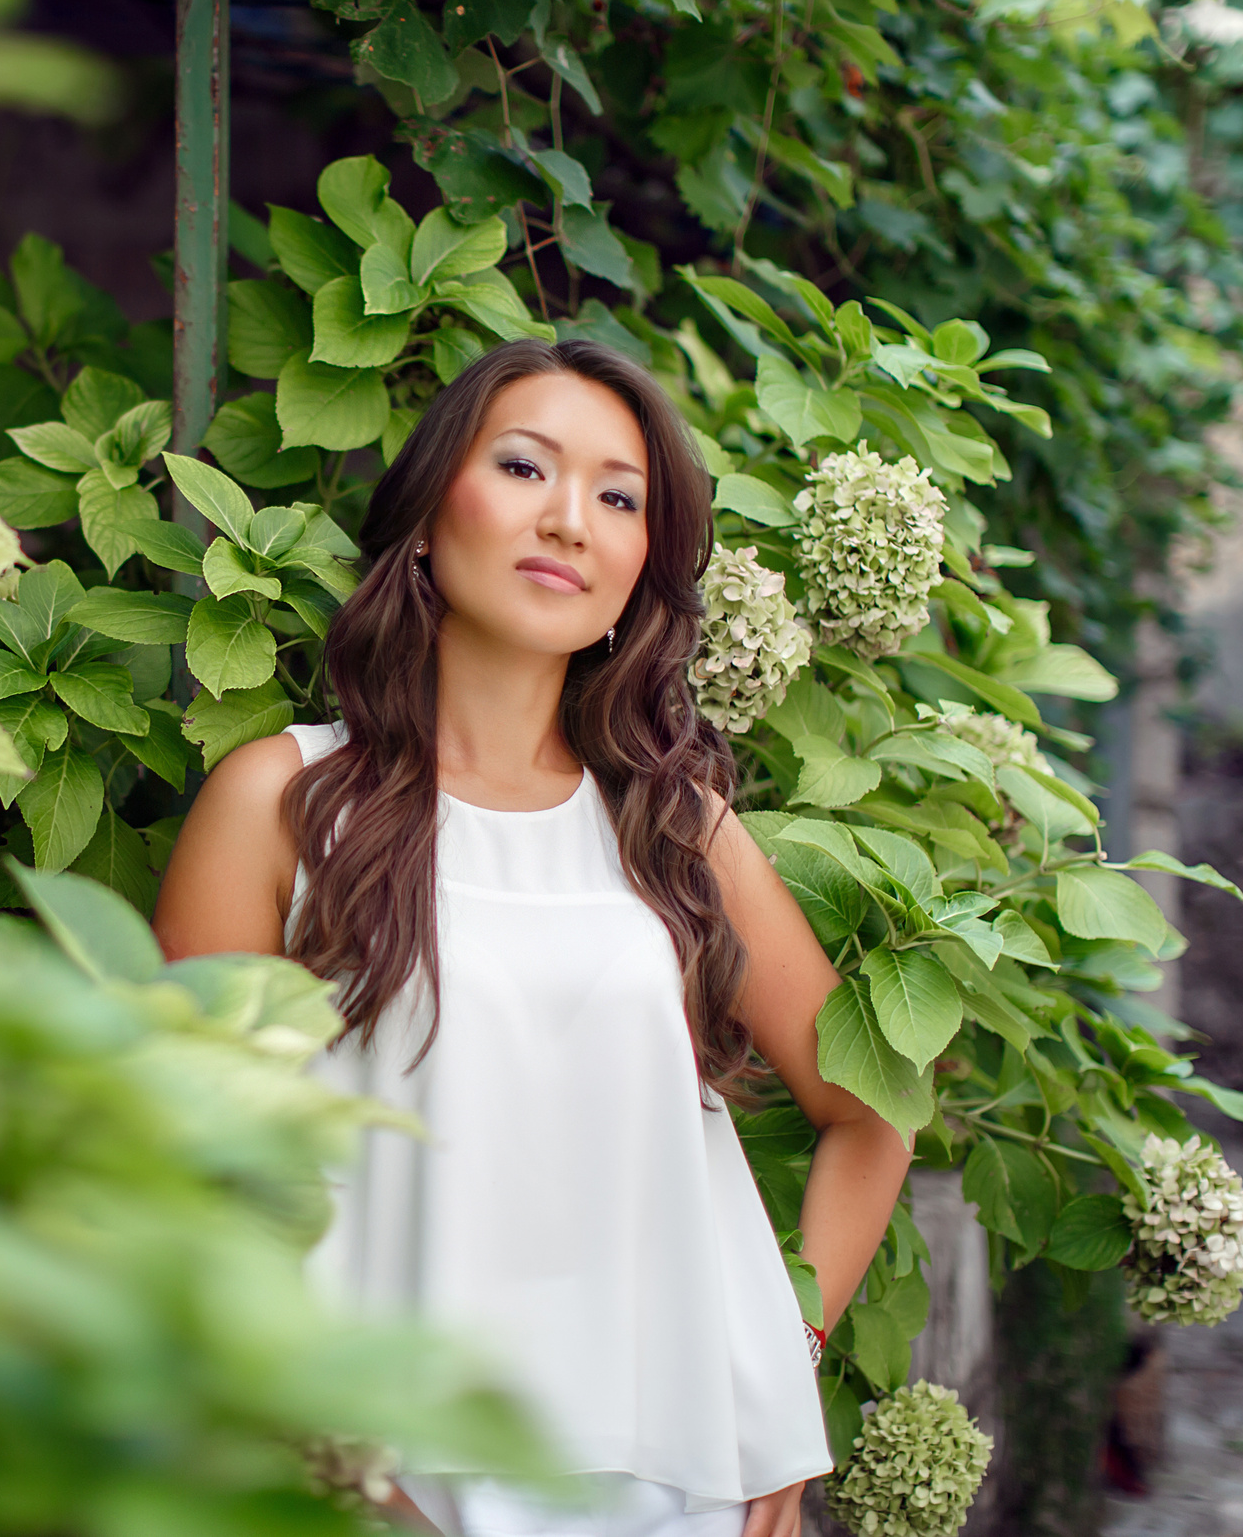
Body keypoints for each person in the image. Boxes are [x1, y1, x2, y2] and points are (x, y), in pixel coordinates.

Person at [154, 339, 912, 1537]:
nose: (569, 520)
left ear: (638, 572)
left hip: (677, 1491)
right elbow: (182, 1176)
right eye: (523, 467)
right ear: (422, 516)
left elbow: (872, 1111)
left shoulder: (679, 834)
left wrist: (778, 1362)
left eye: (619, 498)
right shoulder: (280, 803)